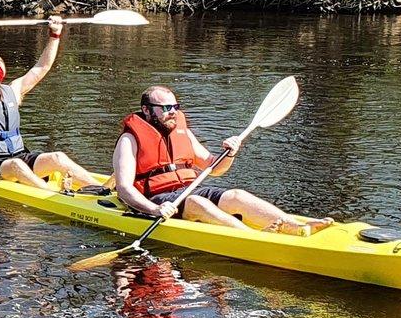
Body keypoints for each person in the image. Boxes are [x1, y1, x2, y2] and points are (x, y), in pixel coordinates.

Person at [111, 85, 333, 235]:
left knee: (237, 195)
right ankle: (251, 237)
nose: (173, 112)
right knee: (198, 203)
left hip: (187, 190)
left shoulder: (181, 131)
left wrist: (231, 153)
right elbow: (123, 189)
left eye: (175, 107)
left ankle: (295, 225)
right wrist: (154, 210)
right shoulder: (130, 139)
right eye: (166, 108)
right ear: (146, 110)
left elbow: (213, 168)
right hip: (155, 199)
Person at [0, 16, 107, 191]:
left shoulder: (13, 92)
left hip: (18, 156)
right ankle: (53, 195)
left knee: (58, 157)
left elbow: (42, 68)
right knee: (16, 164)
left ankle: (104, 189)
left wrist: (55, 34)